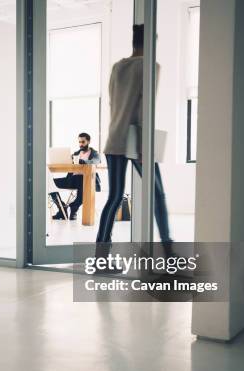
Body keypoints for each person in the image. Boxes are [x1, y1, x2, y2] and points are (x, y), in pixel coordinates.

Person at [96, 24, 173, 253]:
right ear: (150, 43)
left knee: (114, 198)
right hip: (137, 142)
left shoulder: (118, 67)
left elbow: (112, 104)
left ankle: (101, 257)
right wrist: (142, 147)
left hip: (114, 139)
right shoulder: (151, 67)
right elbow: (144, 109)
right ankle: (168, 252)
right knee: (158, 195)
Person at [50, 133, 101, 220]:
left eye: (83, 142)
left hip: (86, 180)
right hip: (72, 179)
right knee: (49, 183)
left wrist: (83, 161)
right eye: (79, 142)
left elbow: (95, 161)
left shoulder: (95, 154)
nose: (81, 144)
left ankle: (74, 209)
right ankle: (62, 209)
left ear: (88, 141)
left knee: (83, 182)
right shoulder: (75, 154)